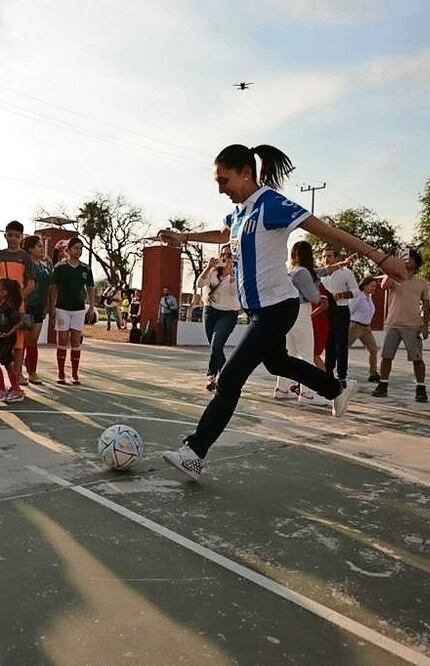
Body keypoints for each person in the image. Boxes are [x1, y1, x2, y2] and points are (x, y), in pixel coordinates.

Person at [156, 143, 407, 481]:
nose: (220, 189)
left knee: (229, 379)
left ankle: (194, 453)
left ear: (246, 173)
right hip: (259, 311)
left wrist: (380, 258)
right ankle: (337, 389)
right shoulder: (241, 211)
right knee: (277, 362)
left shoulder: (271, 204)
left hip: (280, 307)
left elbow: (327, 230)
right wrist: (183, 236)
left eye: (224, 180)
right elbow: (223, 233)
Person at [372, 249, 430, 402]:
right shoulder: (394, 278)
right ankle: (383, 385)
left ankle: (421, 388)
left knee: (417, 358)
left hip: (412, 326)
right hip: (393, 324)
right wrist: (395, 267)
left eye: (411, 258)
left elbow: (426, 304)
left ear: (417, 262)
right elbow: (384, 286)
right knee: (386, 356)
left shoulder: (421, 282)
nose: (407, 260)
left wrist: (425, 325)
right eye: (405, 257)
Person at [0, 221, 35, 396]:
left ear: (22, 237)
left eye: (17, 235)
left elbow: (31, 283)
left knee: (18, 345)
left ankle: (16, 380)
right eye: (10, 235)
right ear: (5, 235)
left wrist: (18, 297)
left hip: (17, 306)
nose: (13, 238)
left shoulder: (26, 258)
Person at [275, 241, 327, 404]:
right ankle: (306, 393)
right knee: (306, 353)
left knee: (289, 352)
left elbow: (320, 271)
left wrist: (339, 266)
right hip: (301, 311)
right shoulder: (303, 272)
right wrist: (322, 299)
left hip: (287, 312)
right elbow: (312, 296)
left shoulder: (293, 270)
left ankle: (282, 388)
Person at [49, 237, 96, 385]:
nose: (78, 251)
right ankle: (61, 373)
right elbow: (54, 288)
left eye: (81, 248)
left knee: (76, 340)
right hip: (62, 307)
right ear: (67, 250)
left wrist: (92, 307)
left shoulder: (85, 269)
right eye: (75, 248)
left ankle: (74, 374)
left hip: (79, 309)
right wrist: (52, 307)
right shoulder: (59, 267)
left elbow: (90, 289)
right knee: (62, 340)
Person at [197, 245, 240, 391]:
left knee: (216, 345)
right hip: (210, 311)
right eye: (223, 254)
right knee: (216, 348)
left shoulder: (238, 273)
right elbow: (199, 284)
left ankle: (211, 376)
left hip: (228, 313)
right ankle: (228, 375)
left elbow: (235, 293)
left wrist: (232, 274)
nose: (225, 258)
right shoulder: (213, 271)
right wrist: (208, 267)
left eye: (229, 255)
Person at [320, 247, 359, 386]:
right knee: (328, 343)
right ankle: (328, 373)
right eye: (324, 256)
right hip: (325, 311)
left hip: (341, 310)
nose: (326, 259)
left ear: (336, 258)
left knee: (341, 344)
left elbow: (356, 292)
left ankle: (341, 376)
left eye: (329, 256)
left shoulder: (346, 273)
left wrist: (341, 295)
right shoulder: (320, 274)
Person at [0, 277, 24, 403]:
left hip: (7, 340)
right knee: (8, 364)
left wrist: (8, 333)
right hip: (0, 339)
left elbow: (19, 322)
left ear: (4, 293)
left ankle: (2, 390)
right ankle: (15, 389)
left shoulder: (8, 307)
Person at [22, 235, 52, 385]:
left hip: (39, 307)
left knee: (33, 341)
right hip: (27, 308)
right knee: (25, 341)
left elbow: (47, 288)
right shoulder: (25, 265)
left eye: (42, 245)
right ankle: (23, 372)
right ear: (30, 249)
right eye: (39, 246)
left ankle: (31, 369)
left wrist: (47, 305)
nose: (42, 248)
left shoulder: (45, 266)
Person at [348, 276, 381, 383]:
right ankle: (335, 369)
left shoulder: (369, 298)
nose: (373, 288)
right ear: (365, 285)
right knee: (343, 348)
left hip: (366, 328)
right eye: (371, 286)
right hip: (355, 326)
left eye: (375, 286)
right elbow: (350, 310)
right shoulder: (358, 296)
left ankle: (373, 373)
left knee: (373, 349)